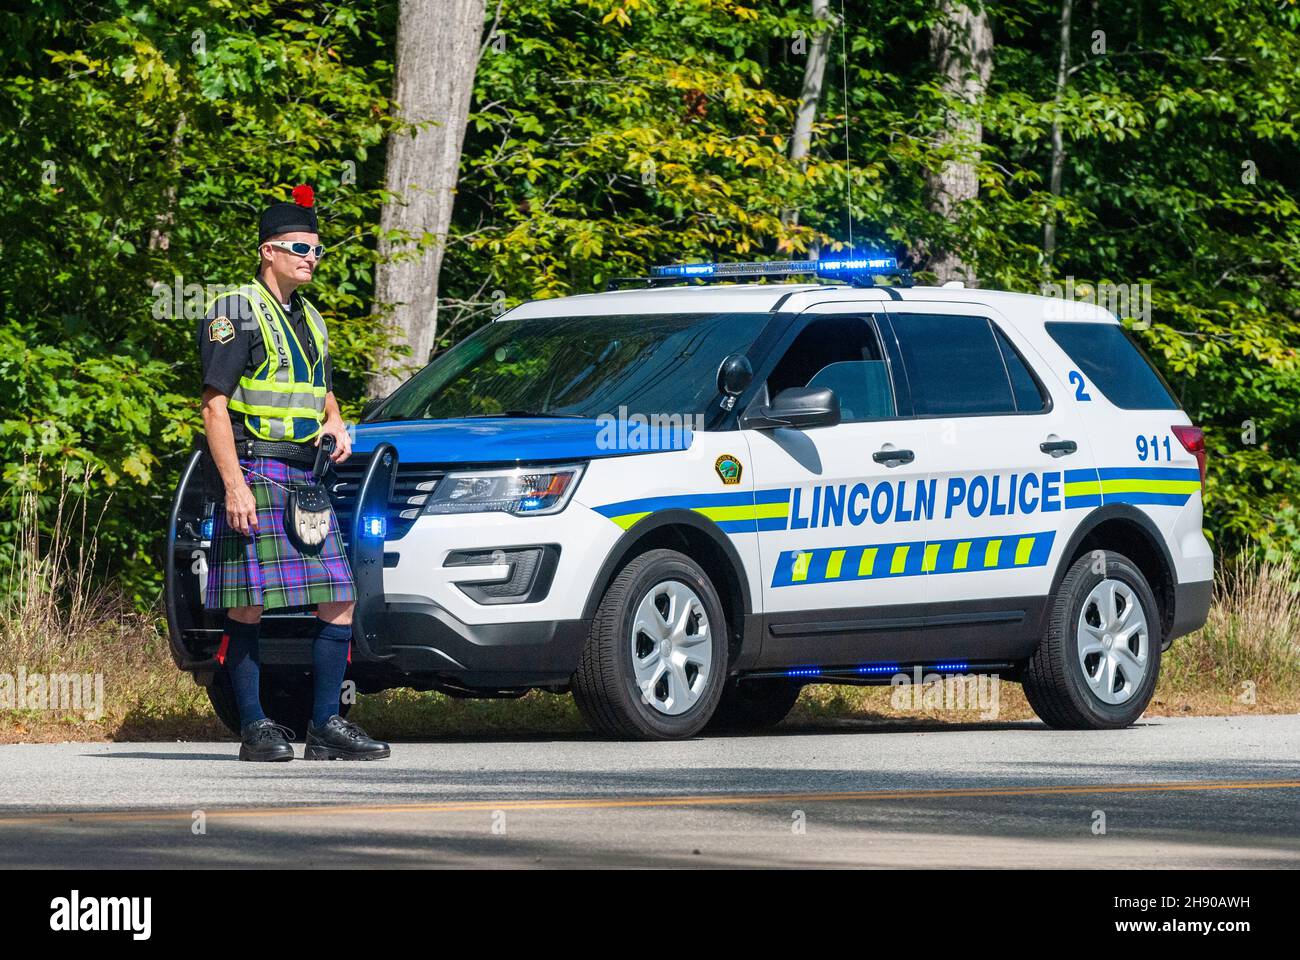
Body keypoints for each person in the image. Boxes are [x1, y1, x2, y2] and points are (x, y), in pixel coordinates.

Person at [197, 184, 390, 762]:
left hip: (306, 480)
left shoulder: (312, 319)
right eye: (300, 248)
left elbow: (321, 391)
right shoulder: (235, 312)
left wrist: (337, 421)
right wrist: (233, 485)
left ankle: (326, 725)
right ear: (268, 252)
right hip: (254, 470)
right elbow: (214, 405)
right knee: (247, 603)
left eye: (317, 250)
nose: (311, 258)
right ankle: (256, 727)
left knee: (339, 598)